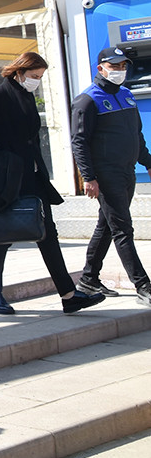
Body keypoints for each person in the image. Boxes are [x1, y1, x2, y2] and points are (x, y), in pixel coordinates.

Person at [0, 52, 105, 316]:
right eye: (34, 76)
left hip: (32, 175)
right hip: (7, 176)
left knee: (47, 234)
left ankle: (69, 295)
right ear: (20, 71)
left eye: (40, 77)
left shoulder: (26, 96)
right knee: (2, 234)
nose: (36, 81)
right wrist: (4, 159)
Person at [73, 47, 151, 306]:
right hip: (106, 175)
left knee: (107, 225)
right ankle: (143, 286)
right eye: (114, 66)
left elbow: (136, 135)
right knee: (122, 229)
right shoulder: (88, 100)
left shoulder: (127, 95)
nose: (119, 71)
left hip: (127, 171)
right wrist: (89, 177)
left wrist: (148, 163)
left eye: (123, 66)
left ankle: (89, 278)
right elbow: (80, 142)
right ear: (101, 68)